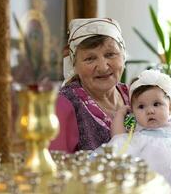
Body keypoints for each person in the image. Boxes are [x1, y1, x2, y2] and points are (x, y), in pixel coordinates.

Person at [49, 18, 130, 153]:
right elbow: (57, 164)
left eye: (110, 54)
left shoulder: (134, 95)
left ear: (123, 56)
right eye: (90, 59)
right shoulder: (63, 104)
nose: (103, 67)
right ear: (74, 65)